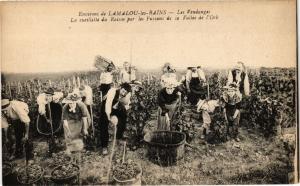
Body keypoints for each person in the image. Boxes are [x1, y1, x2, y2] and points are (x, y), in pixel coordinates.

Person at [100, 83, 132, 155]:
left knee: (123, 117)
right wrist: (109, 117)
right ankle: (104, 146)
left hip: (116, 107)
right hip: (106, 107)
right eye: (123, 91)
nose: (123, 93)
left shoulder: (127, 95)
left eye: (125, 93)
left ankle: (119, 137)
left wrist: (123, 108)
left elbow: (127, 105)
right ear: (120, 88)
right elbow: (108, 105)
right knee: (104, 124)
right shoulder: (112, 91)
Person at [36, 88, 64, 153]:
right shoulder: (41, 100)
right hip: (45, 109)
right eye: (47, 95)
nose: (48, 97)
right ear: (45, 95)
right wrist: (47, 119)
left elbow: (61, 94)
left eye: (50, 96)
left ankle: (57, 136)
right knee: (44, 113)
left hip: (53, 106)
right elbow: (42, 112)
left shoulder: (55, 96)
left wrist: (57, 101)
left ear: (52, 95)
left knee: (56, 107)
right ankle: (51, 142)